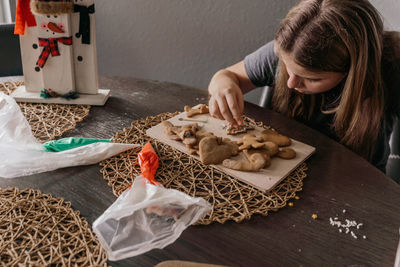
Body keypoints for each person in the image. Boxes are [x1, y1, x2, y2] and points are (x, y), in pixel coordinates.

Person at [207, 0, 400, 173]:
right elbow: (228, 75)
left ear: (354, 71)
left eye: (312, 79)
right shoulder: (291, 47)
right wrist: (222, 83)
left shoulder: (391, 69)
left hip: (358, 181)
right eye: (287, 68)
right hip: (280, 169)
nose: (291, 83)